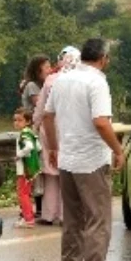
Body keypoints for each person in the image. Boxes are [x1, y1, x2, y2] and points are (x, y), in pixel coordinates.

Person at [42, 39, 124, 261]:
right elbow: (101, 122)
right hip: (91, 161)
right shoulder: (97, 82)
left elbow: (47, 115)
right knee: (98, 220)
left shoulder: (62, 78)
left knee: (73, 220)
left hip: (67, 159)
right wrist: (118, 149)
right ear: (104, 58)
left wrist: (54, 148)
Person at [32, 46, 78, 225]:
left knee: (51, 175)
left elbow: (40, 109)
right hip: (71, 131)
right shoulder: (82, 81)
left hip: (49, 131)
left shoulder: (50, 80)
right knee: (68, 175)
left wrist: (34, 127)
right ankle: (67, 215)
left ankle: (49, 214)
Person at [13, 107, 40, 228]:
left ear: (27, 121)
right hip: (32, 168)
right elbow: (38, 148)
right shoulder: (31, 133)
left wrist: (19, 155)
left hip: (24, 169)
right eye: (15, 120)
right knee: (27, 194)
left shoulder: (24, 134)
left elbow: (29, 147)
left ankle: (28, 219)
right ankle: (27, 216)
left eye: (20, 120)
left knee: (22, 194)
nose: (16, 123)